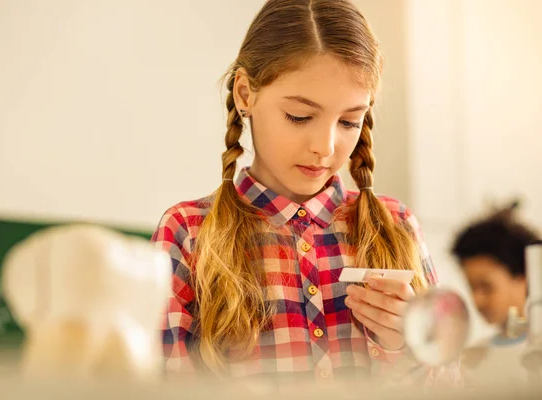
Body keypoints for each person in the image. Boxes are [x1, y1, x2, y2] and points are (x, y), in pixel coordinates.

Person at [152, 0, 460, 387]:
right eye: (299, 116)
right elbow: (163, 387)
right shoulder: (188, 232)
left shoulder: (397, 227)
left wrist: (406, 348)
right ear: (246, 93)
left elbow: (453, 388)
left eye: (349, 120)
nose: (325, 146)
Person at [452, 202, 539, 385]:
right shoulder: (470, 359)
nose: (477, 299)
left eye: (486, 287)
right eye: (472, 287)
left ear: (524, 277)